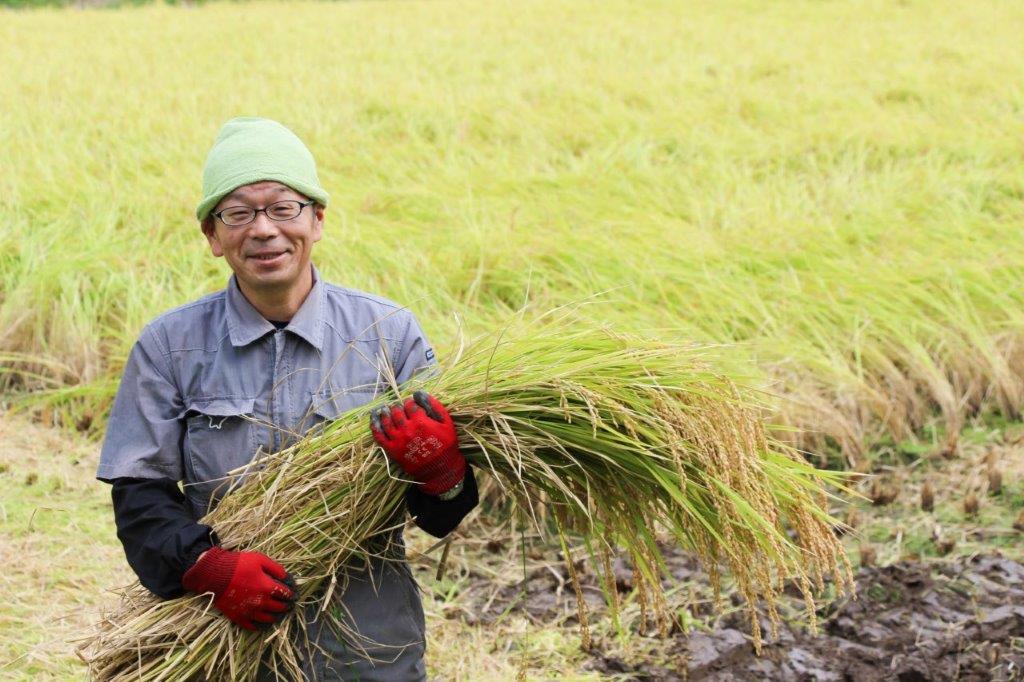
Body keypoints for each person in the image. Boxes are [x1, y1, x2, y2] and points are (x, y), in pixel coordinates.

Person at [95, 116, 478, 680]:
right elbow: (141, 499)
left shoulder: (389, 335)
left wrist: (442, 471)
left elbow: (443, 516)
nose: (264, 230)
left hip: (367, 649)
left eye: (283, 208)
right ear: (212, 235)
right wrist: (210, 568)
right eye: (238, 213)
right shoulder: (170, 347)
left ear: (317, 220)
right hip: (226, 642)